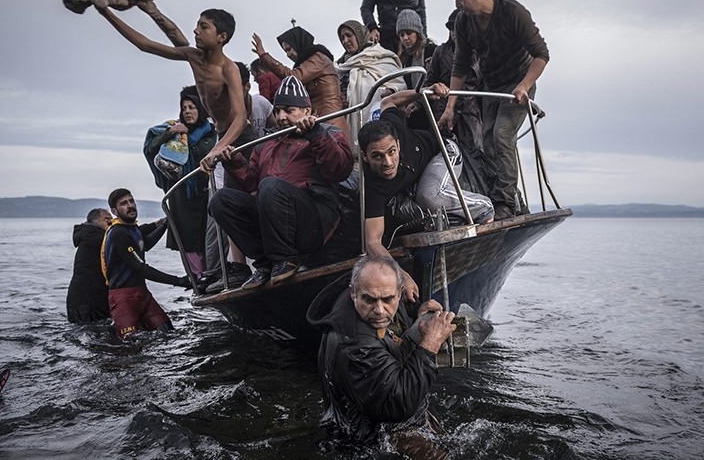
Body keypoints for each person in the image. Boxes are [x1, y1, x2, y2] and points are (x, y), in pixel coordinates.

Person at [208, 77, 354, 291]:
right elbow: (251, 183)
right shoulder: (267, 143)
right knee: (220, 200)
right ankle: (265, 263)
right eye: (277, 111)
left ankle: (286, 259)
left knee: (270, 186)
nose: (281, 117)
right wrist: (233, 161)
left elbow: (340, 169)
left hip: (313, 220)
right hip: (273, 219)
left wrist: (315, 134)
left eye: (289, 110)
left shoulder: (328, 132)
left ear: (307, 110)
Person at [359, 84, 496, 301]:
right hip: (416, 178)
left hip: (443, 152)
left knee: (429, 196)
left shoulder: (393, 127)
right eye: (377, 156)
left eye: (391, 152)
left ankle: (484, 207)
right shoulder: (373, 184)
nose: (387, 162)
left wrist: (423, 91)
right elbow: (372, 242)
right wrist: (400, 275)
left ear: (397, 144)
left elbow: (388, 102)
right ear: (365, 157)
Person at [306, 256, 455, 454]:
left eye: (387, 299)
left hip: (392, 419)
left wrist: (417, 328)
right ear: (353, 293)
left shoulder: (370, 304)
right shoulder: (355, 345)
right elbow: (397, 404)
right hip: (375, 436)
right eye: (369, 299)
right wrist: (430, 344)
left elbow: (389, 348)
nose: (379, 310)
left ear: (399, 292)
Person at [439, 0, 550, 220]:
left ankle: (505, 205)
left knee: (502, 136)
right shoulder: (464, 23)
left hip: (518, 85)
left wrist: (525, 85)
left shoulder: (512, 12)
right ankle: (509, 199)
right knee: (487, 144)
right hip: (492, 87)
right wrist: (450, 107)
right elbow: (460, 66)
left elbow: (541, 55)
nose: (458, 5)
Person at [95, 6, 247, 174]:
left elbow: (240, 118)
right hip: (220, 135)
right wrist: (106, 12)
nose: (196, 31)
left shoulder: (228, 69)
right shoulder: (193, 56)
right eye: (197, 25)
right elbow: (145, 45)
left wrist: (216, 149)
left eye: (204, 27)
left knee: (242, 189)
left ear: (221, 37)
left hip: (237, 136)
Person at [143, 86, 216, 279]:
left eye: (192, 107)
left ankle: (213, 274)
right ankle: (198, 278)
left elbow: (205, 154)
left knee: (207, 236)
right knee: (187, 239)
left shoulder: (210, 133)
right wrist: (171, 133)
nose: (188, 112)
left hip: (204, 193)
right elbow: (150, 148)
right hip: (181, 195)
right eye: (184, 108)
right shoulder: (173, 130)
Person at [102, 188, 190, 340]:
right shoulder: (118, 234)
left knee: (167, 332)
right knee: (130, 343)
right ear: (115, 211)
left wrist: (165, 225)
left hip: (142, 294)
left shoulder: (131, 229)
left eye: (131, 201)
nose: (130, 205)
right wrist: (180, 281)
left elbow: (145, 244)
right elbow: (141, 268)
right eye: (124, 203)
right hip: (123, 297)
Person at [252, 26, 350, 135]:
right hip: (320, 122)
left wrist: (264, 56)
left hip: (330, 123)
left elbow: (293, 76)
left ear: (299, 43)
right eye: (285, 51)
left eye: (289, 49)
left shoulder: (317, 59)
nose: (288, 54)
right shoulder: (310, 62)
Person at [425, 8, 483, 155]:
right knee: (440, 151)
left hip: (470, 112)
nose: (455, 33)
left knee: (475, 155)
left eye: (458, 29)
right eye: (452, 29)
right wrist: (417, 102)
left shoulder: (482, 54)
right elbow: (429, 81)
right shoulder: (440, 52)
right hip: (443, 110)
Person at [335, 20, 406, 125]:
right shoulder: (342, 66)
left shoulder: (381, 56)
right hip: (349, 121)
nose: (345, 41)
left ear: (359, 35)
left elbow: (399, 84)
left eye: (349, 35)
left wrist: (390, 90)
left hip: (380, 120)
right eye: (342, 38)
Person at [66, 207, 112, 323]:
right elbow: (124, 237)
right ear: (95, 221)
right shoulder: (93, 236)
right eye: (106, 219)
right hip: (84, 300)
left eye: (111, 219)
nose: (111, 222)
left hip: (92, 296)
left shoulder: (95, 235)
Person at [395, 9, 437, 130]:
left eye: (409, 33)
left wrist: (418, 103)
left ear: (417, 32)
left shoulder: (431, 51)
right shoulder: (404, 59)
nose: (405, 38)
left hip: (432, 110)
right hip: (412, 115)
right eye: (402, 35)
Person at [238, 61, 276, 135]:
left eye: (234, 88)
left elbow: (275, 129)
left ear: (247, 86)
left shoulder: (262, 102)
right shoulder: (226, 112)